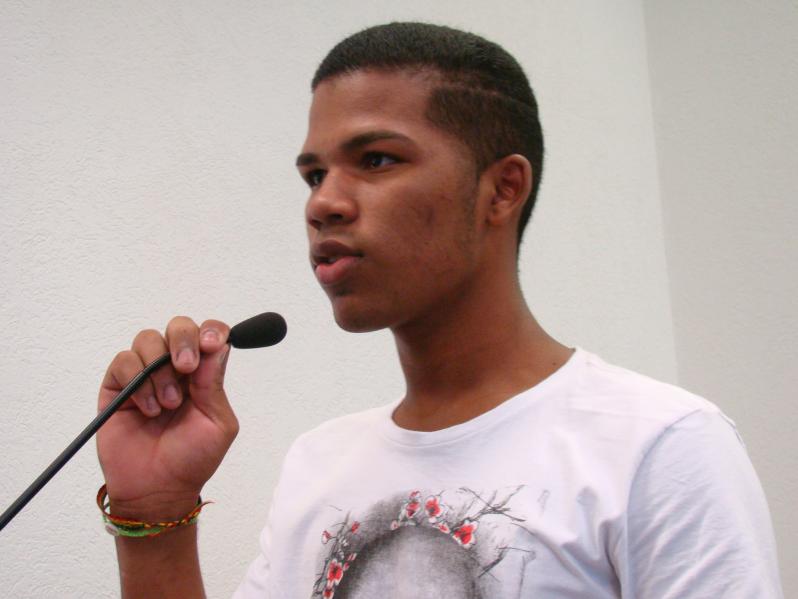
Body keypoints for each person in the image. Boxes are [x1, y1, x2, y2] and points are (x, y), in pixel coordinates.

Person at [96, 22, 783, 598]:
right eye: (314, 174)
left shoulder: (657, 447)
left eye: (376, 159)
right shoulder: (319, 464)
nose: (323, 202)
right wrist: (154, 511)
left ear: (501, 190)